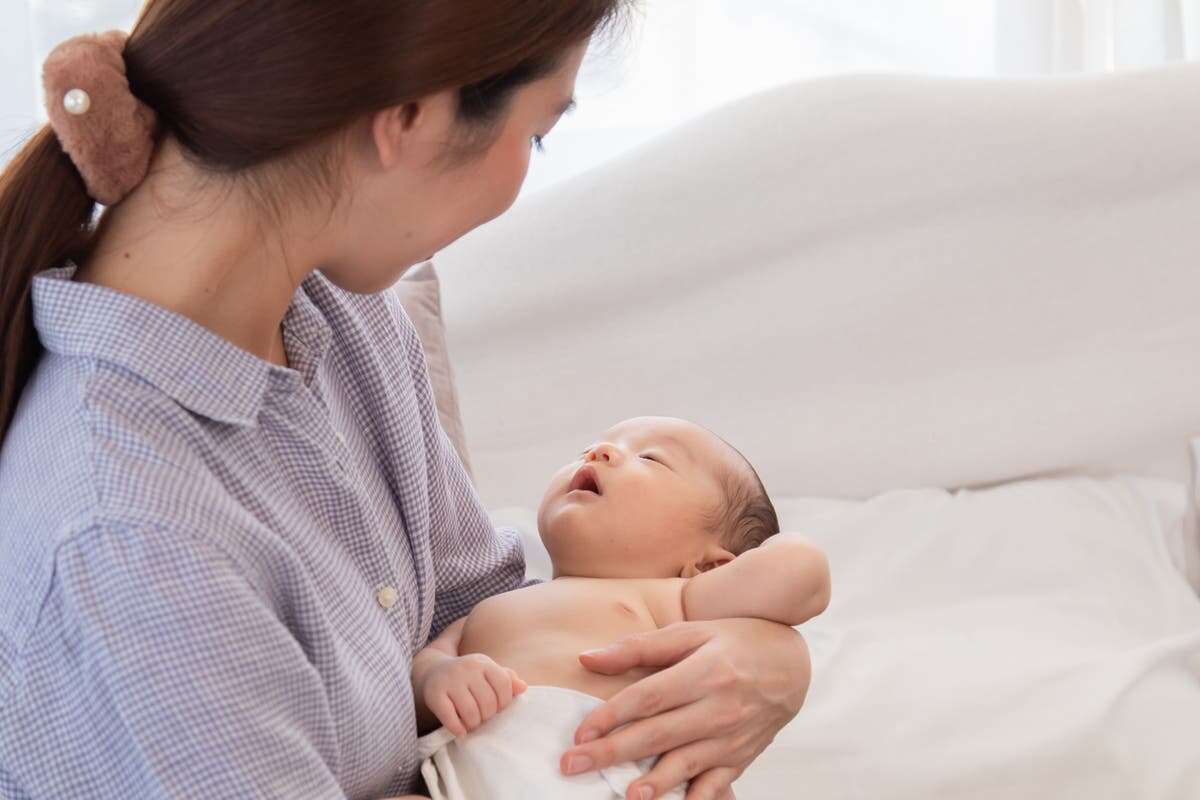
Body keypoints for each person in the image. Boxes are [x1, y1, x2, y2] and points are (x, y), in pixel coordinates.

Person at [0, 4, 813, 799]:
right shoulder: (130, 541)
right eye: (536, 133)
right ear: (412, 118)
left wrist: (764, 657)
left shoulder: (344, 317)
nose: (521, 179)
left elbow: (478, 609)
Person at [412, 416, 831, 799]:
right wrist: (439, 677)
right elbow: (421, 671)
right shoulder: (491, 607)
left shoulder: (677, 599)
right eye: (591, 447)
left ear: (709, 564)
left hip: (621, 782)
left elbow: (801, 574)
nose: (601, 451)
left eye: (651, 459)